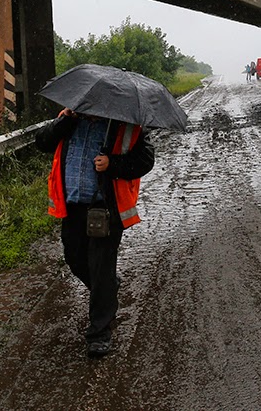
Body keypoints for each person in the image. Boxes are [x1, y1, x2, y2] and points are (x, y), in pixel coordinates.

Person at [37, 108, 156, 358]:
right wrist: (64, 121)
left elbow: (145, 160)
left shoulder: (125, 126)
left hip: (105, 208)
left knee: (101, 266)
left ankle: (99, 333)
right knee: (74, 257)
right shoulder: (69, 118)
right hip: (72, 206)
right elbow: (42, 142)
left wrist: (112, 164)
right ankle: (107, 290)